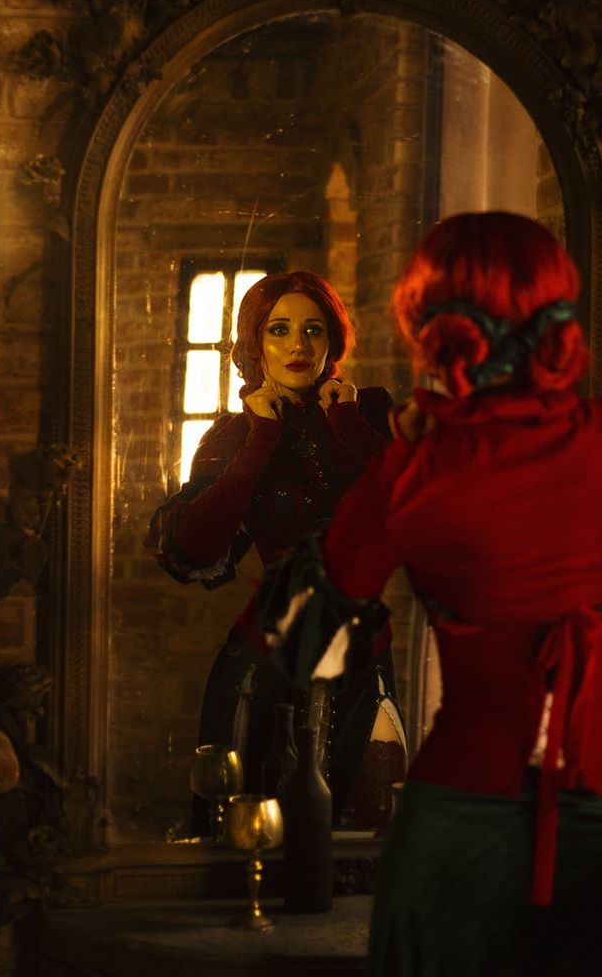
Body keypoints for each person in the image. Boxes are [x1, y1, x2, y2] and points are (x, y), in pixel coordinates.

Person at [256, 213, 602, 977]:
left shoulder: (409, 467)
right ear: (556, 310)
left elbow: (307, 652)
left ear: (429, 323)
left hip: (460, 804)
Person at [144, 270, 406, 835]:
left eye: (314, 330)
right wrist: (260, 439)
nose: (297, 345)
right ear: (255, 342)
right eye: (279, 329)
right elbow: (193, 550)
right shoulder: (233, 436)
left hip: (363, 652)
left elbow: (425, 508)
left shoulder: (370, 416)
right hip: (264, 660)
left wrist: (349, 425)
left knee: (366, 836)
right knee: (252, 833)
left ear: (332, 342)